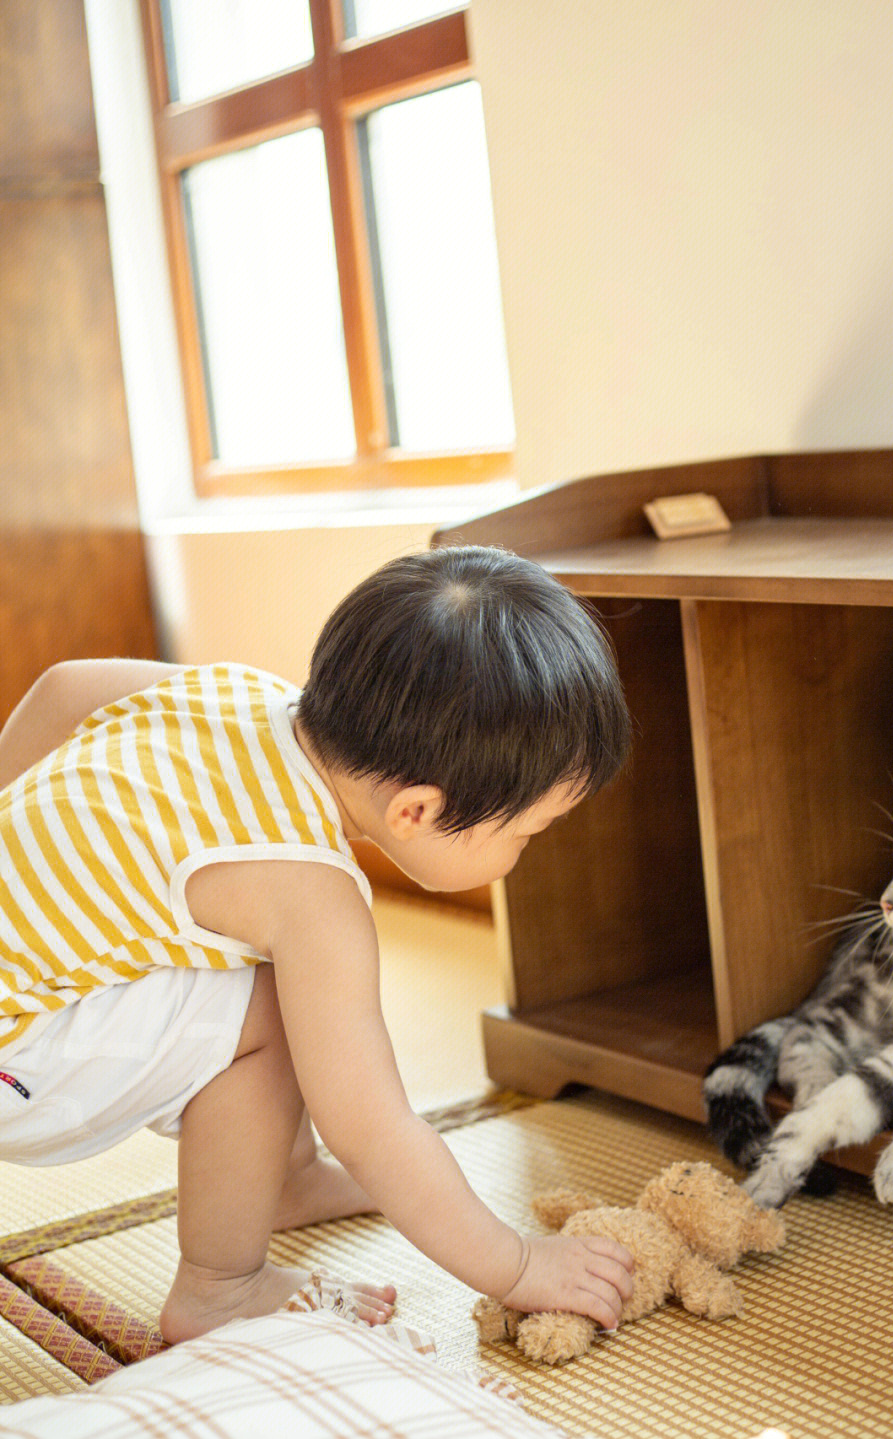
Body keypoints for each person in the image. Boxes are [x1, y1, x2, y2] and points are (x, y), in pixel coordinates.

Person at [0, 546, 635, 1344]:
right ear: (416, 811)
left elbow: (64, 687)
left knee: (259, 977)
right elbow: (371, 1126)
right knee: (271, 1011)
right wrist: (517, 1264)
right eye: (525, 832)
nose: (522, 854)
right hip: (14, 1051)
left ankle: (285, 1180)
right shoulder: (312, 897)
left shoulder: (234, 692)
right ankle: (219, 1286)